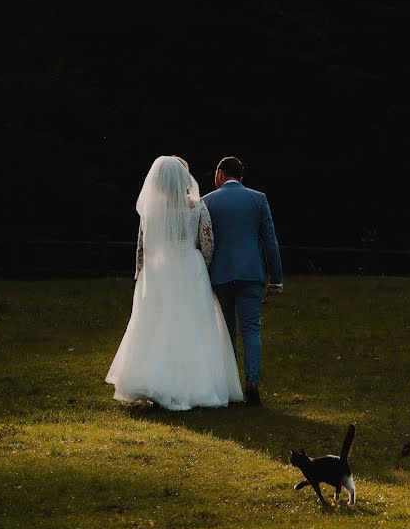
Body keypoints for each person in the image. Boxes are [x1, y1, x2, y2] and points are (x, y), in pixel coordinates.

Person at [106, 156, 243, 410]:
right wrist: (202, 264)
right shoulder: (197, 206)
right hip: (190, 267)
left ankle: (156, 382)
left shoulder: (151, 210)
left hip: (159, 270)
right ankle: (196, 385)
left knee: (158, 325)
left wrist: (142, 274)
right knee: (195, 324)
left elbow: (141, 248)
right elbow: (208, 243)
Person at [202, 156, 283, 406]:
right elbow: (270, 240)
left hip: (221, 274)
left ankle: (230, 387)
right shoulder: (258, 199)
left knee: (226, 333)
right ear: (241, 177)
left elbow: (204, 243)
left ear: (220, 174)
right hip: (250, 273)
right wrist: (276, 277)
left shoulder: (207, 202)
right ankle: (252, 383)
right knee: (251, 330)